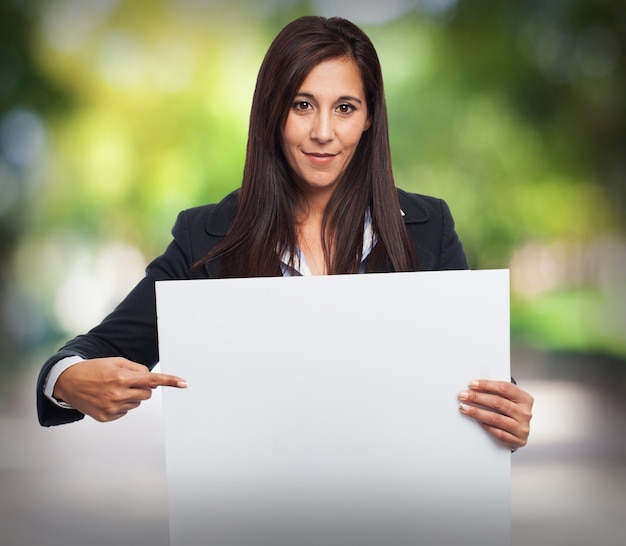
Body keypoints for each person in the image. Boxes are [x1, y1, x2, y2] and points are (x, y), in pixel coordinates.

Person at [36, 16, 533, 451]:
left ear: (369, 120)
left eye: (344, 107)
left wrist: (508, 413)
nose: (323, 131)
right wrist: (67, 380)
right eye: (302, 105)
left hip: (395, 513)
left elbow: (483, 381)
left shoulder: (430, 229)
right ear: (273, 114)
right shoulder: (205, 238)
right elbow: (85, 353)